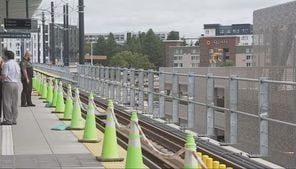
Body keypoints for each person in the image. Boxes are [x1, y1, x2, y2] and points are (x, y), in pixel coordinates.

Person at [1, 50, 20, 125]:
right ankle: (14, 119)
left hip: (8, 84)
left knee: (7, 102)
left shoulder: (6, 64)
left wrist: (1, 77)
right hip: (15, 84)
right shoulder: (16, 64)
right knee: (14, 102)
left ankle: (8, 119)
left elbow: (4, 75)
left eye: (4, 55)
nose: (3, 57)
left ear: (7, 56)